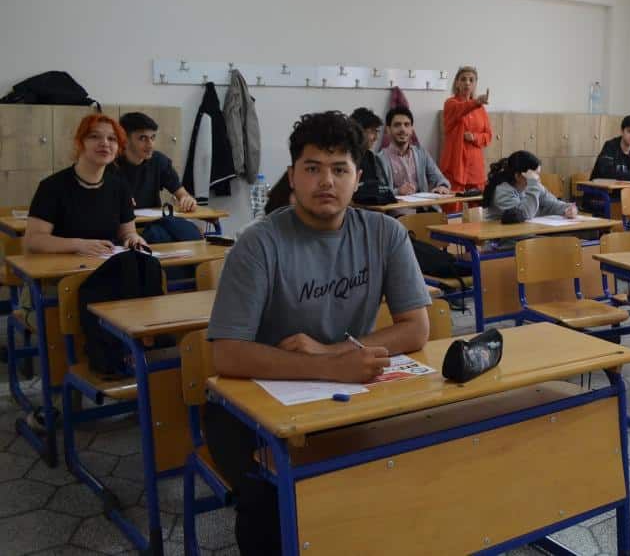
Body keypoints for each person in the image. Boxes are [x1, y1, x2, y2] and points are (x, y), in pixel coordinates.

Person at [204, 111, 430, 554]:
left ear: (358, 178)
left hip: (344, 396)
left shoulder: (385, 234)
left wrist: (331, 353)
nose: (326, 181)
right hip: (249, 407)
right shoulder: (258, 243)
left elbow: (416, 328)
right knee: (272, 502)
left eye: (339, 169)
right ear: (292, 176)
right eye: (312, 168)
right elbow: (227, 354)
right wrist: (330, 368)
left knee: (413, 464)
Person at [25, 113, 149, 255]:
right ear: (80, 143)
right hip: (65, 265)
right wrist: (78, 245)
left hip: (109, 262)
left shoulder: (120, 187)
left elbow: (127, 232)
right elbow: (33, 240)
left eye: (112, 139)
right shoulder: (52, 187)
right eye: (95, 136)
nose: (105, 143)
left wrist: (133, 238)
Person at [114, 112, 197, 212]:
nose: (150, 145)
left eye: (153, 137)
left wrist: (187, 200)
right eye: (143, 138)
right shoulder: (110, 164)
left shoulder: (159, 161)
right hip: (121, 221)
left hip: (152, 221)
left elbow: (182, 193)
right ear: (125, 139)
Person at [439, 65, 492, 193]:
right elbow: (460, 109)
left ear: (475, 84)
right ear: (457, 83)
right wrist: (476, 102)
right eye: (463, 79)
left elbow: (488, 135)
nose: (467, 83)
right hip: (454, 166)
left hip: (475, 169)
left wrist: (475, 137)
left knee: (476, 204)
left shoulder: (481, 109)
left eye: (471, 80)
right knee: (453, 204)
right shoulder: (450, 103)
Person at [483, 150, 576, 223]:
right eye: (534, 175)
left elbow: (551, 204)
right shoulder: (502, 191)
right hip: (504, 239)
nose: (537, 178)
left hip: (525, 235)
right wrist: (533, 184)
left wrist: (567, 209)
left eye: (538, 174)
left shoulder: (532, 186)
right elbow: (523, 214)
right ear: (518, 176)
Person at [590, 114, 630, 181]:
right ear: (622, 131)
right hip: (599, 186)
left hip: (624, 186)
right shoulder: (610, 146)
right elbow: (605, 172)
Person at [348, 107, 385, 183]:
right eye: (372, 131)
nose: (376, 138)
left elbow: (380, 185)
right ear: (358, 131)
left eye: (377, 131)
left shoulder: (370, 157)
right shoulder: (347, 157)